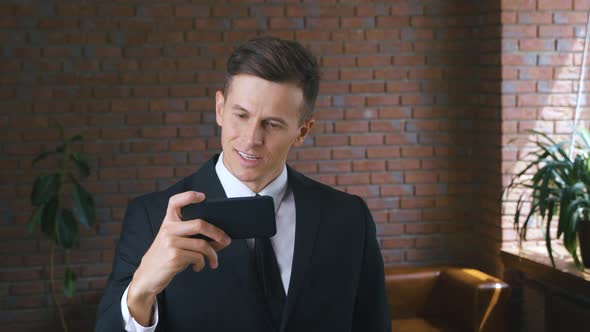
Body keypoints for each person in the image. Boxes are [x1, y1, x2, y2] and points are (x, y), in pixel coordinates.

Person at [95, 37, 390, 332]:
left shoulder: (349, 218)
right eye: (241, 115)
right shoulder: (150, 217)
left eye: (272, 124)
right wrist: (141, 291)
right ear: (220, 109)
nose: (251, 139)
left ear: (302, 131)